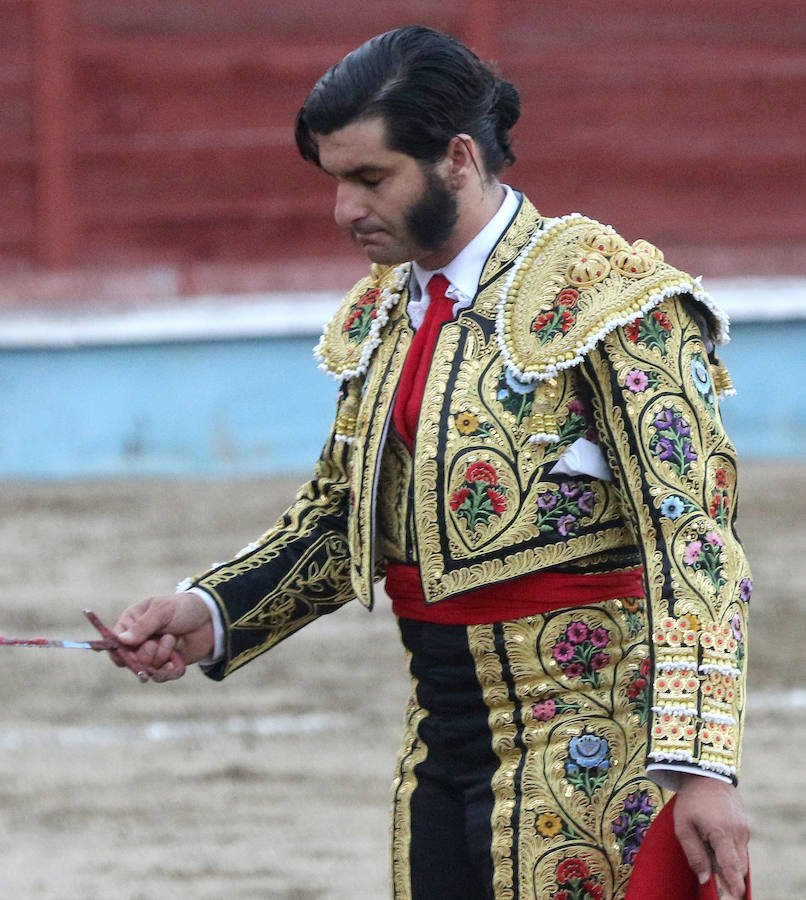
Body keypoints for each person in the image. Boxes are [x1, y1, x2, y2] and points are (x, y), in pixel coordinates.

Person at [107, 25, 751, 900]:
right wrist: (210, 609)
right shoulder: (381, 312)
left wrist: (704, 767)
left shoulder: (606, 298)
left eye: (372, 178)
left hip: (597, 749)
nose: (345, 210)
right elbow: (344, 518)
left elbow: (694, 539)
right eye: (337, 180)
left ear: (455, 159)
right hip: (443, 737)